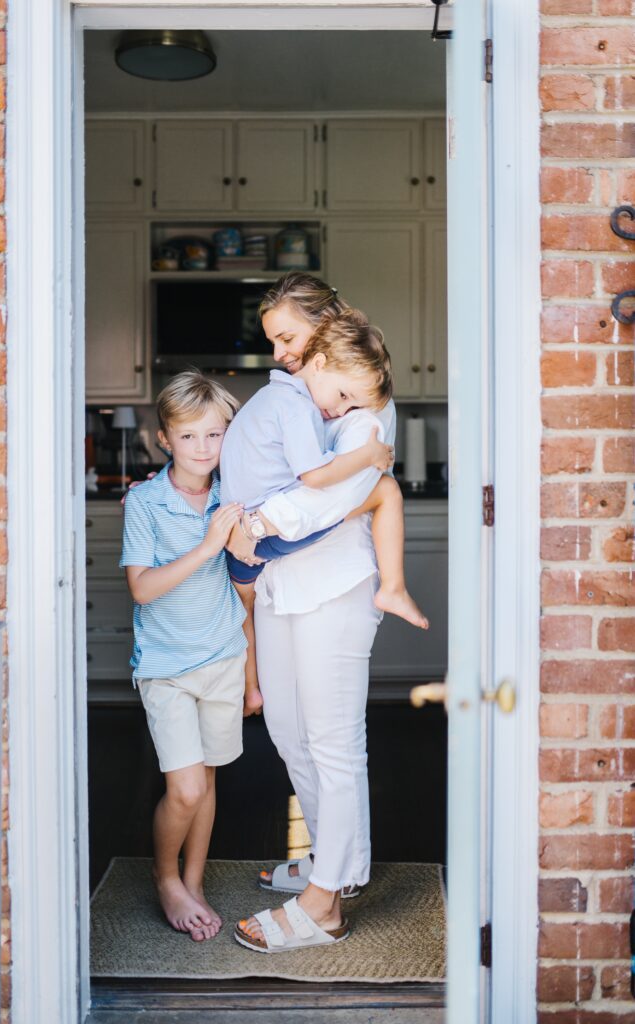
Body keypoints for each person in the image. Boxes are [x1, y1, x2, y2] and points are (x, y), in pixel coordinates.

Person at [230, 272, 423, 953]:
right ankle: (336, 864)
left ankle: (325, 905)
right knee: (289, 731)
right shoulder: (303, 399)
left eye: (288, 337)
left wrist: (255, 523)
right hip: (281, 585)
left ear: (328, 324)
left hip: (334, 589)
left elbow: (330, 499)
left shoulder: (363, 408)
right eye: (274, 341)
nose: (280, 353)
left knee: (333, 742)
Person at [222, 307, 429, 716]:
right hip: (260, 537)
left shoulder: (272, 396)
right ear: (320, 362)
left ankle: (250, 689)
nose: (342, 410)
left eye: (287, 338)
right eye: (344, 398)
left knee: (240, 610)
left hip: (247, 534)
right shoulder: (298, 407)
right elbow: (316, 479)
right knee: (386, 490)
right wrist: (370, 454)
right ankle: (393, 587)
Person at [120, 372, 247, 942]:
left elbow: (247, 589)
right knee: (186, 788)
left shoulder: (233, 496)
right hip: (167, 669)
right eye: (189, 436)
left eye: (214, 434)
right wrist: (208, 545)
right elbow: (142, 588)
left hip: (224, 658)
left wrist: (253, 675)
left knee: (208, 780)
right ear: (164, 439)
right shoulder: (145, 502)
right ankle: (166, 876)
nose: (202, 447)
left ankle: (194, 881)